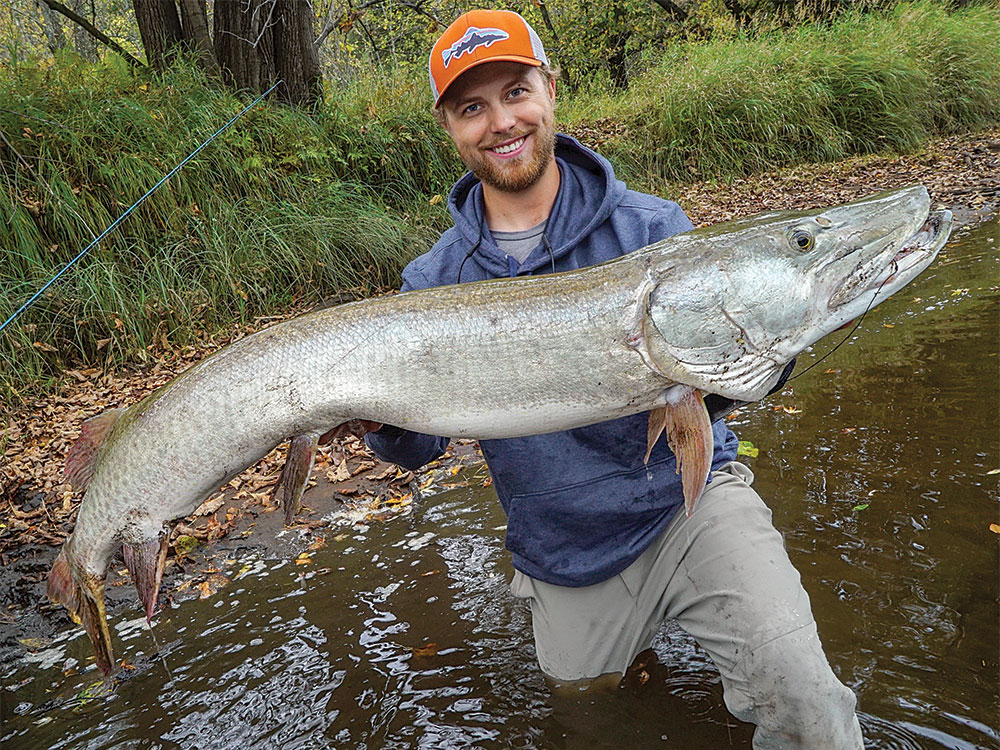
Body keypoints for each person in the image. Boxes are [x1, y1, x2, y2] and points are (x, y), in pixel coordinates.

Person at [350, 10, 864, 748]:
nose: (501, 122)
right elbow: (418, 450)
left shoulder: (654, 231)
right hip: (566, 549)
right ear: (450, 127)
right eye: (473, 107)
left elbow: (721, 384)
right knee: (588, 717)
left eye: (516, 91)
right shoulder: (432, 283)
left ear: (551, 90)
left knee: (808, 700)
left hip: (689, 509)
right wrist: (377, 422)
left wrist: (781, 345)